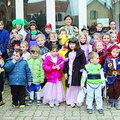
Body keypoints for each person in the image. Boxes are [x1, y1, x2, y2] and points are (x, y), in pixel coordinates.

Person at [64, 38, 86, 108]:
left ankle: (78, 100)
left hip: (78, 73)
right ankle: (70, 100)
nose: (71, 46)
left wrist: (82, 71)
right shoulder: (68, 53)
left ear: (76, 44)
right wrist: (65, 72)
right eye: (70, 44)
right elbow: (65, 64)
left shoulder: (81, 52)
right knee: (70, 87)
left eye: (73, 44)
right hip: (70, 73)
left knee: (78, 87)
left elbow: (83, 63)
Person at [103, 45, 120, 110]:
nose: (115, 54)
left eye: (117, 52)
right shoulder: (108, 60)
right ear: (111, 52)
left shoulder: (119, 59)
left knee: (118, 90)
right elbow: (105, 69)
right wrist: (104, 77)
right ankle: (110, 101)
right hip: (110, 77)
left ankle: (115, 101)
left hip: (118, 78)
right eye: (114, 52)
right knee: (110, 90)